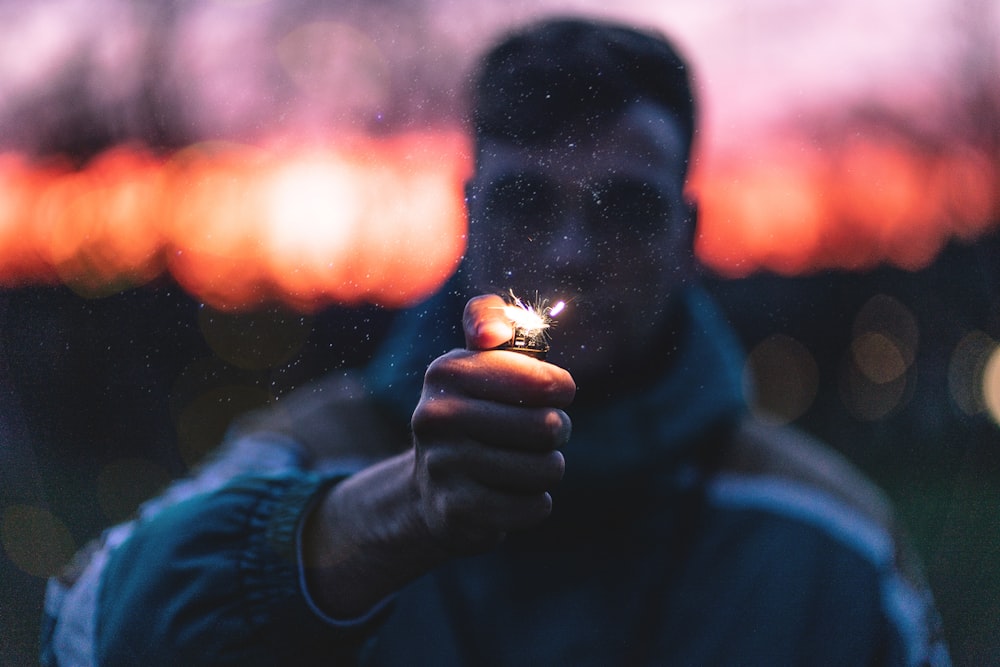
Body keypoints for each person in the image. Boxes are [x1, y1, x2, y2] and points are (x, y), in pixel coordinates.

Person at [42, 17, 950, 666]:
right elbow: (80, 633)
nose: (570, 254)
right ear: (467, 215)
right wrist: (370, 522)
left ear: (687, 235)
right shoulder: (314, 456)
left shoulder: (826, 537)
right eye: (526, 201)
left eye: (623, 209)